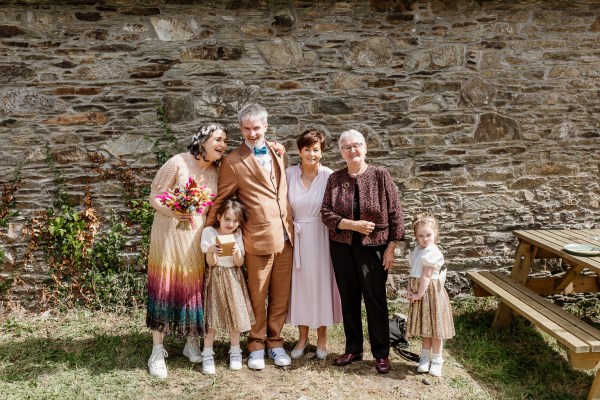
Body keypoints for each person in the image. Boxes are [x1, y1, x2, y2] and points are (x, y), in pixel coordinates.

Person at [205, 103, 294, 370]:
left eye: (256, 128)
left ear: (266, 127)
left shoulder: (278, 152)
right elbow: (221, 199)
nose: (252, 133)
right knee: (257, 295)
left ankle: (276, 343)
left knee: (280, 296)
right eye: (246, 128)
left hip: (286, 235)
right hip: (256, 238)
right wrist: (210, 231)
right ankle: (255, 345)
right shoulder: (232, 162)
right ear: (240, 129)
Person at [146, 124, 228, 379]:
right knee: (166, 284)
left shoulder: (218, 171)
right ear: (202, 141)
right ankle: (157, 351)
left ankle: (191, 340)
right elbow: (155, 196)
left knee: (194, 288)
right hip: (169, 233)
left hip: (196, 238)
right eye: (217, 139)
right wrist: (175, 211)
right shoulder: (177, 163)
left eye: (225, 140)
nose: (223, 144)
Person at [321, 129, 404, 374]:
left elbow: (395, 214)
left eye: (356, 145)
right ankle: (353, 349)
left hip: (374, 247)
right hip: (342, 247)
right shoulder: (335, 179)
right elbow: (325, 213)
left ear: (365, 148)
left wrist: (391, 246)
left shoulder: (380, 176)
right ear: (340, 152)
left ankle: (381, 353)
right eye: (347, 147)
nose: (352, 151)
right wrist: (350, 225)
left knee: (375, 301)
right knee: (349, 299)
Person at [286, 129, 342, 360]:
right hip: (296, 236)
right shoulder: (288, 174)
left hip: (321, 236)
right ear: (300, 150)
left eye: (316, 149)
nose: (311, 154)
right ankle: (302, 337)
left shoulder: (330, 175)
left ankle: (322, 338)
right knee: (300, 288)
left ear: (322, 152)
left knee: (321, 286)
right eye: (307, 149)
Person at [200, 198, 255, 375]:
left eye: (235, 220)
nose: (231, 224)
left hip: (233, 277)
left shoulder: (237, 236)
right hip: (215, 276)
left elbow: (239, 263)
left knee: (235, 315)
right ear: (219, 217)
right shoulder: (209, 232)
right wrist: (211, 251)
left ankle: (235, 351)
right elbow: (210, 262)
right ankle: (208, 353)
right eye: (227, 219)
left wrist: (237, 252)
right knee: (212, 315)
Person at [406, 212, 455, 377]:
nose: (425, 239)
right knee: (426, 328)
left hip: (430, 294)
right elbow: (413, 273)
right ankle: (424, 358)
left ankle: (437, 360)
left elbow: (426, 276)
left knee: (435, 329)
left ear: (435, 234)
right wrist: (409, 290)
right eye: (420, 236)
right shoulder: (417, 251)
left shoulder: (432, 252)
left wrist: (418, 294)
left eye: (428, 235)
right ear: (416, 236)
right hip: (419, 292)